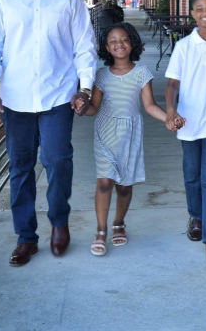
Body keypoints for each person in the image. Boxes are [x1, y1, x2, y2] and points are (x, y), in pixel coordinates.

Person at [0, 0, 97, 267]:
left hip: (58, 95)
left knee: (58, 160)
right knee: (20, 167)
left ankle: (59, 222)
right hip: (15, 99)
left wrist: (84, 87)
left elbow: (84, 46)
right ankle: (26, 238)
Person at [74, 22, 177, 256]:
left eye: (123, 40)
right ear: (106, 48)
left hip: (130, 135)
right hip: (105, 133)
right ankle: (100, 231)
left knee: (123, 186)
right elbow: (94, 108)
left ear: (132, 43)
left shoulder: (142, 72)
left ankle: (118, 223)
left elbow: (149, 106)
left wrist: (168, 118)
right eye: (113, 41)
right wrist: (81, 107)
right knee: (104, 182)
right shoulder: (101, 75)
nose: (119, 44)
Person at [165, 0, 206, 261]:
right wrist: (171, 109)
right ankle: (196, 216)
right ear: (192, 13)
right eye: (200, 9)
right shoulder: (183, 47)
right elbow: (172, 83)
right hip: (188, 120)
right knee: (192, 174)